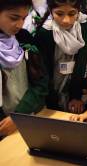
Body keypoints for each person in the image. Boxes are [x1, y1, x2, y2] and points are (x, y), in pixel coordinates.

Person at [0, 0, 48, 137]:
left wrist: (18, 116)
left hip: (28, 118)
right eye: (14, 18)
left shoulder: (24, 37)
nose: (20, 25)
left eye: (24, 18)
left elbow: (41, 83)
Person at [34, 0, 87, 114]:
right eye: (59, 14)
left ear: (78, 11)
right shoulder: (45, 32)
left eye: (72, 14)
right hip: (52, 87)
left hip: (73, 84)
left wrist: (76, 96)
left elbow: (81, 61)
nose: (66, 20)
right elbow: (45, 71)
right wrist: (51, 101)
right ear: (51, 11)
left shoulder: (83, 25)